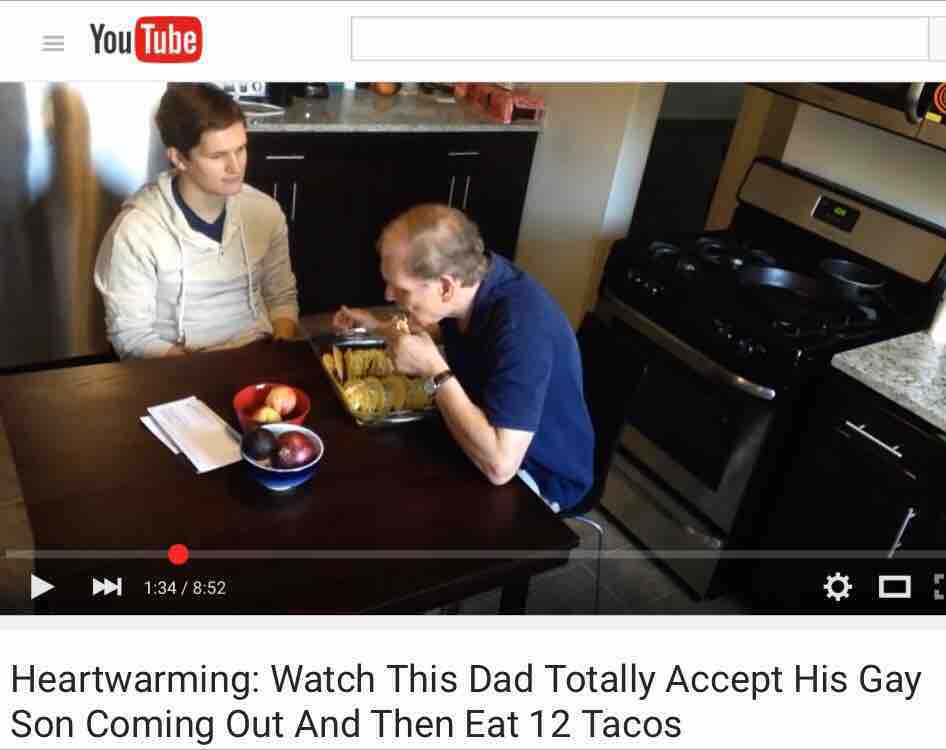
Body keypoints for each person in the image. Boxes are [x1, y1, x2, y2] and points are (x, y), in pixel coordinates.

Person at [334, 205, 594, 511]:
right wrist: (376, 326)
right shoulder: (472, 285)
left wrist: (434, 371)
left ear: (446, 286)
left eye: (400, 288)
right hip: (480, 429)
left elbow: (500, 466)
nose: (388, 295)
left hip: (537, 475)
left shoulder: (522, 326)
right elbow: (437, 330)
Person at [94, 83, 299, 358]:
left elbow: (281, 299)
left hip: (258, 354)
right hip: (180, 366)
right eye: (217, 156)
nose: (235, 167)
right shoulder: (135, 231)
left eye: (240, 149)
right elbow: (132, 337)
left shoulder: (265, 212)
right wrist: (200, 371)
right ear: (179, 158)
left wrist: (279, 355)